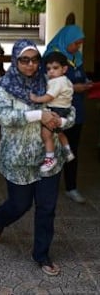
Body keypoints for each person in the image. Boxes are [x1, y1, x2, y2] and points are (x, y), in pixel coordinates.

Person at [0, 39, 75, 276]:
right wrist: (39, 114)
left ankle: (42, 254)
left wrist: (61, 121)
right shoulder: (4, 86)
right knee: (20, 204)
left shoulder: (50, 81)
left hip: (49, 157)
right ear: (15, 61)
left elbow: (70, 110)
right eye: (24, 60)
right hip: (18, 158)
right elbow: (2, 116)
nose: (30, 65)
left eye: (34, 59)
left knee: (47, 207)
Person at [43, 25, 93, 203]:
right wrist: (73, 87)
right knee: (53, 148)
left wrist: (86, 83)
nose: (77, 47)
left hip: (76, 110)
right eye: (75, 43)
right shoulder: (52, 56)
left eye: (80, 44)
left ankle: (71, 187)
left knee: (72, 150)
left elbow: (78, 76)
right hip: (56, 112)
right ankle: (48, 186)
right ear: (67, 40)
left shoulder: (76, 57)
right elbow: (46, 82)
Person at [30, 51, 75, 173]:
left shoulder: (57, 81)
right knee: (59, 133)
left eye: (55, 68)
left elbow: (49, 97)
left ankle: (50, 158)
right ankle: (67, 151)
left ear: (64, 69)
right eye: (48, 69)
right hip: (64, 109)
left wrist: (36, 98)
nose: (51, 71)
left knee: (46, 135)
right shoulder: (66, 80)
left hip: (56, 110)